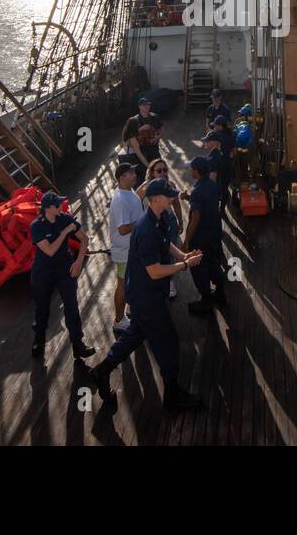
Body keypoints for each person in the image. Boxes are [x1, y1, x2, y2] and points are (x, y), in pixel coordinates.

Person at [90, 178, 204, 412]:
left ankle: (101, 371)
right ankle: (172, 396)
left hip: (147, 293)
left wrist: (184, 256)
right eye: (169, 195)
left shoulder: (157, 218)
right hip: (146, 297)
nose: (173, 197)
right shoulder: (145, 229)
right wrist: (185, 266)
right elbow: (154, 271)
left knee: (134, 336)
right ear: (157, 199)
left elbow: (166, 245)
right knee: (168, 343)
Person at [29, 190, 96, 361]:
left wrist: (79, 262)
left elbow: (84, 239)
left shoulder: (65, 218)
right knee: (42, 308)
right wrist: (65, 232)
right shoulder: (36, 226)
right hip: (43, 272)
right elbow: (50, 251)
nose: (61, 206)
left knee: (71, 305)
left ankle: (77, 344)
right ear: (48, 208)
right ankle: (39, 340)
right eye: (58, 204)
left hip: (64, 269)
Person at [183, 156, 226, 315]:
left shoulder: (197, 191)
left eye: (191, 168)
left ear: (196, 171)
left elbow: (196, 217)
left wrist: (187, 240)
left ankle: (206, 303)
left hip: (200, 237)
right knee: (213, 264)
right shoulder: (212, 185)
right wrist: (188, 198)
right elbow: (206, 203)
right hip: (213, 233)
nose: (190, 170)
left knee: (199, 268)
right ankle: (220, 294)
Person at [138, 159, 185, 300]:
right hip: (153, 223)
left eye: (165, 170)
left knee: (169, 254)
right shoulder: (145, 188)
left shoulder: (170, 185)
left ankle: (169, 282)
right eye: (159, 170)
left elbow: (176, 204)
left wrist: (180, 220)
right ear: (152, 172)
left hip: (169, 221)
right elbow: (135, 202)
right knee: (156, 253)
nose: (163, 173)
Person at [109, 162, 142, 336]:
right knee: (122, 284)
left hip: (132, 248)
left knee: (130, 282)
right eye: (131, 173)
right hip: (125, 251)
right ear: (122, 178)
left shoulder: (129, 191)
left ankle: (129, 312)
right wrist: (143, 222)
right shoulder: (120, 200)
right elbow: (122, 229)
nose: (135, 175)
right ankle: (119, 320)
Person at [122, 96, 163, 183]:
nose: (147, 106)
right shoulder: (135, 121)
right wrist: (149, 167)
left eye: (148, 105)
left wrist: (157, 137)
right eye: (145, 105)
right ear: (140, 107)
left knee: (159, 168)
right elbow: (139, 154)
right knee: (147, 175)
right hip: (142, 151)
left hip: (154, 148)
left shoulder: (155, 116)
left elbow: (161, 129)